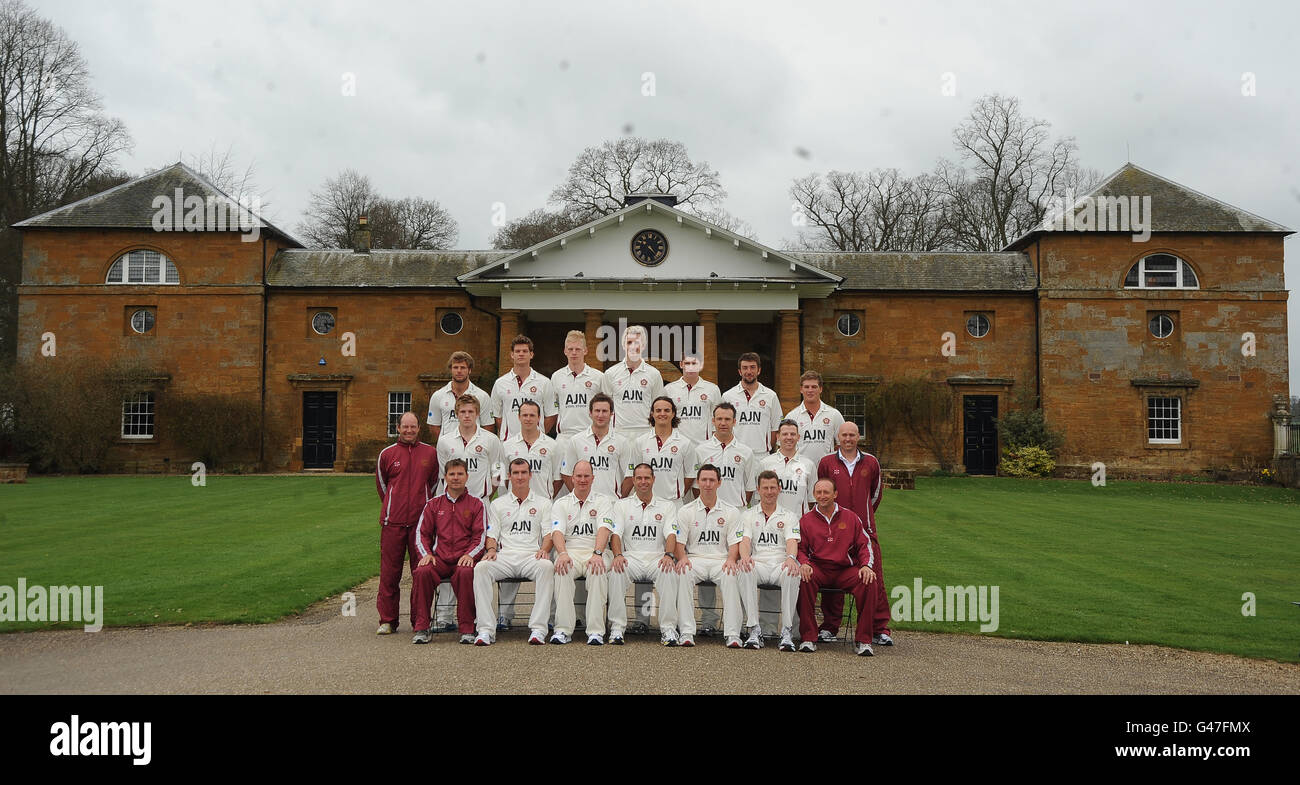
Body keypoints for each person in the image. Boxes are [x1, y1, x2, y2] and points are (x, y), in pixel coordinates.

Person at [816, 422, 892, 646]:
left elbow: (875, 495)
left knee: (873, 577)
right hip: (834, 531)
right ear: (837, 437)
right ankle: (830, 626)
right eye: (844, 435)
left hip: (865, 531)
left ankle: (879, 628)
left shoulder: (871, 462)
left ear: (859, 437)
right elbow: (823, 491)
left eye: (852, 435)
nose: (848, 439)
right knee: (833, 577)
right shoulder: (827, 462)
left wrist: (863, 518)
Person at [434, 394, 503, 629]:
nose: (466, 416)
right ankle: (444, 617)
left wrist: (487, 495)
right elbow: (443, 474)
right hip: (452, 506)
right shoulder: (445, 441)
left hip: (479, 504)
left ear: (477, 414)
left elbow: (498, 472)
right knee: (447, 556)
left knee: (475, 562)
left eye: (471, 412)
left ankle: (474, 616)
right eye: (462, 412)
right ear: (456, 414)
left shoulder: (491, 440)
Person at [669, 464, 757, 648]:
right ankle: (686, 632)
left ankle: (733, 633)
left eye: (711, 480)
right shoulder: (686, 510)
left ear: (719, 483)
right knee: (683, 573)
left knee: (732, 574)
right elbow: (679, 542)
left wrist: (732, 559)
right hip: (694, 559)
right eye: (704, 480)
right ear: (698, 482)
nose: (707, 484)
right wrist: (682, 557)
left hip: (721, 560)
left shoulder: (731, 511)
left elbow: (734, 542)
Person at [472, 459, 556, 646]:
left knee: (547, 566)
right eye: (516, 473)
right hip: (506, 556)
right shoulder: (498, 504)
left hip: (531, 556)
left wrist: (544, 549)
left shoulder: (544, 503)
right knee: (481, 568)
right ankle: (485, 630)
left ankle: (538, 629)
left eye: (523, 472)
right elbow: (492, 533)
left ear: (530, 475)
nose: (520, 477)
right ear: (509, 476)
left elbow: (549, 534)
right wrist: (492, 549)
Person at [796, 478, 879, 656]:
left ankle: (864, 640)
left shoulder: (850, 517)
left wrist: (866, 566)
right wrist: (804, 563)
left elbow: (865, 545)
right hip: (818, 568)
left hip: (844, 570)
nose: (822, 496)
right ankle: (808, 637)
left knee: (869, 582)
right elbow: (800, 549)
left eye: (826, 492)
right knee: (803, 579)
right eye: (818, 492)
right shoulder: (806, 520)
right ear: (813, 494)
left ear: (835, 494)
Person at [497, 400, 562, 627]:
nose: (528, 418)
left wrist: (543, 497)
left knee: (548, 562)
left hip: (543, 509)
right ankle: (505, 614)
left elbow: (556, 478)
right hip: (513, 509)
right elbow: (500, 478)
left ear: (539, 417)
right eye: (524, 415)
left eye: (532, 415)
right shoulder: (506, 445)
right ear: (518, 417)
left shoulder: (551, 445)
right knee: (509, 554)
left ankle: (550, 616)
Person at [374, 412, 439, 636]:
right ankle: (388, 620)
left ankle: (419, 620)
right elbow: (383, 486)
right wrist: (394, 507)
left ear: (418, 428)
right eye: (405, 427)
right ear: (398, 428)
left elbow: (433, 483)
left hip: (420, 525)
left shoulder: (430, 453)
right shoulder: (387, 454)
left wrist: (422, 509)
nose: (409, 430)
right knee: (390, 573)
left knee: (420, 573)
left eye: (413, 427)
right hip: (392, 523)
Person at [411, 459, 486, 645]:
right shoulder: (433, 504)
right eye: (452, 474)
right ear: (445, 477)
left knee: (467, 573)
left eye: (460, 474)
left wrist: (470, 555)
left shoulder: (476, 504)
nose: (456, 478)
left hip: (463, 559)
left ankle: (467, 628)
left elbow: (480, 537)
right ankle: (421, 627)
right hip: (440, 559)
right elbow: (422, 534)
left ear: (467, 477)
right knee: (422, 572)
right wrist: (426, 554)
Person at [545, 460, 618, 645]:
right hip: (570, 551)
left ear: (593, 478)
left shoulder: (603, 501)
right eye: (579, 476)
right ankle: (563, 630)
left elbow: (604, 529)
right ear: (572, 478)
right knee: (562, 569)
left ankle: (596, 631)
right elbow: (557, 532)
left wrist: (598, 553)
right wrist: (562, 553)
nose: (583, 480)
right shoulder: (561, 503)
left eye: (586, 476)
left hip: (597, 550)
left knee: (597, 569)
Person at [608, 463, 681, 645]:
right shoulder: (621, 505)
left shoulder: (667, 506)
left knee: (669, 571)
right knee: (616, 571)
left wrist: (668, 555)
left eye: (647, 478)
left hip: (657, 558)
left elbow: (671, 535)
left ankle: (668, 629)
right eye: (639, 478)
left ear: (653, 479)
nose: (643, 482)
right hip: (631, 557)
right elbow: (615, 534)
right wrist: (617, 555)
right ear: (633, 480)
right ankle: (617, 628)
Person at [741, 471, 803, 652]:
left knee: (792, 572)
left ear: (779, 489)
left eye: (773, 488)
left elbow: (792, 541)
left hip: (780, 564)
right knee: (744, 570)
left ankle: (787, 631)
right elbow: (745, 541)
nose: (769, 492)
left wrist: (791, 559)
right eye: (765, 488)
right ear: (758, 490)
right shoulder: (749, 515)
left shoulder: (789, 516)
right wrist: (745, 557)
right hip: (758, 562)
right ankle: (754, 629)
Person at [562, 393, 631, 499]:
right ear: (590, 413)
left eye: (604, 411)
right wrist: (580, 496)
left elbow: (630, 475)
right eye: (597, 411)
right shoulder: (576, 440)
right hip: (585, 503)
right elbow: (566, 473)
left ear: (611, 414)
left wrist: (619, 498)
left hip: (611, 503)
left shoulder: (621, 442)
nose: (600, 415)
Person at [629, 396, 696, 505]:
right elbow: (634, 473)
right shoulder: (640, 442)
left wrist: (677, 492)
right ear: (652, 414)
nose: (662, 414)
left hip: (673, 503)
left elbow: (690, 475)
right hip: (646, 502)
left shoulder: (685, 443)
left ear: (673, 413)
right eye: (658, 410)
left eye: (667, 410)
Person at [600, 324, 663, 440]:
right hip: (618, 433)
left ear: (643, 345)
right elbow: (604, 408)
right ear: (623, 345)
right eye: (629, 342)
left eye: (637, 343)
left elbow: (659, 408)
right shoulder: (610, 373)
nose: (633, 346)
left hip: (645, 433)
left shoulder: (654, 374)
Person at [491, 335, 558, 443]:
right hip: (509, 443)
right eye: (517, 351)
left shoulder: (544, 382)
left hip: (537, 443)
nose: (521, 354)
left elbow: (551, 415)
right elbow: (497, 416)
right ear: (512, 354)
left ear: (531, 354)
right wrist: (508, 434)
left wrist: (537, 433)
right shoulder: (500, 383)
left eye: (525, 351)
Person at [692, 402, 757, 509]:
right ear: (713, 421)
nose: (723, 423)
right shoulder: (700, 450)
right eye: (719, 419)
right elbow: (696, 486)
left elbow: (749, 488)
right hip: (709, 509)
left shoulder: (746, 452)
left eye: (727, 419)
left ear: (734, 422)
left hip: (737, 509)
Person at [550, 330, 604, 447]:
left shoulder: (598, 377)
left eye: (578, 349)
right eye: (570, 349)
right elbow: (553, 407)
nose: (574, 352)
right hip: (564, 437)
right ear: (565, 351)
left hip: (590, 435)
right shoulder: (556, 377)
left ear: (585, 351)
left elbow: (605, 407)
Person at [722, 352, 782, 455]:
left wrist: (767, 447)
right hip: (735, 453)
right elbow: (723, 427)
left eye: (752, 367)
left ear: (759, 370)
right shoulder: (727, 396)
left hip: (762, 455)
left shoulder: (771, 396)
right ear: (739, 371)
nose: (749, 371)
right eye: (745, 368)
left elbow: (776, 427)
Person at [426, 351, 494, 441]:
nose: (459, 371)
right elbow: (433, 426)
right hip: (447, 450)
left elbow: (488, 426)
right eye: (455, 367)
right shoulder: (438, 396)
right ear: (451, 369)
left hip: (474, 450)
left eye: (463, 367)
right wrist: (447, 443)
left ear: (469, 370)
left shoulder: (482, 396)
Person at [784, 370, 845, 465]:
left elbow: (843, 443)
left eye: (814, 387)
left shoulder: (834, 414)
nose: (810, 390)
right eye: (806, 387)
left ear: (820, 389)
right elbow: (784, 447)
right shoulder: (791, 416)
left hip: (826, 470)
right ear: (801, 389)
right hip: (800, 470)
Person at [760, 420, 817, 516]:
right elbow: (760, 497)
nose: (789, 437)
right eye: (785, 434)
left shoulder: (809, 465)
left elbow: (812, 500)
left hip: (798, 523)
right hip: (772, 522)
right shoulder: (765, 463)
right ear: (778, 437)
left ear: (798, 437)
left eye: (793, 434)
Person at [663, 353, 721, 444]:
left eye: (694, 364)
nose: (690, 367)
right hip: (677, 445)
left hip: (703, 446)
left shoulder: (713, 389)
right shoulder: (669, 390)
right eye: (687, 363)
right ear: (681, 364)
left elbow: (718, 419)